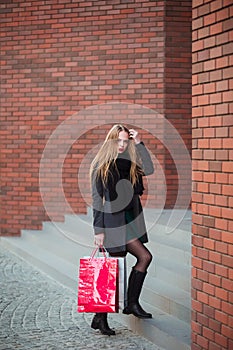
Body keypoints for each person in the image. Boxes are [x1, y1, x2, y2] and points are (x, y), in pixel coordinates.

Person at [90, 124, 154, 336]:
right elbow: (97, 199)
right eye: (118, 140)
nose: (122, 144)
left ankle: (111, 312)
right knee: (134, 260)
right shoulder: (102, 164)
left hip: (130, 219)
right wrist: (98, 230)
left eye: (125, 141)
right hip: (113, 222)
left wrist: (139, 143)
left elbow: (150, 169)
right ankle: (114, 311)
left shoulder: (130, 162)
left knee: (126, 264)